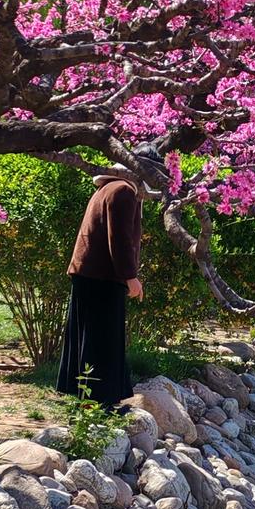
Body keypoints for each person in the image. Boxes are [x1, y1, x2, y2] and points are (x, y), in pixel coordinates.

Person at [56, 173, 143, 407]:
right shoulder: (123, 190)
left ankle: (88, 401)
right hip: (104, 276)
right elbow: (120, 238)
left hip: (89, 274)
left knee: (90, 339)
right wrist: (130, 276)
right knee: (104, 340)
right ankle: (100, 403)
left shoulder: (106, 189)